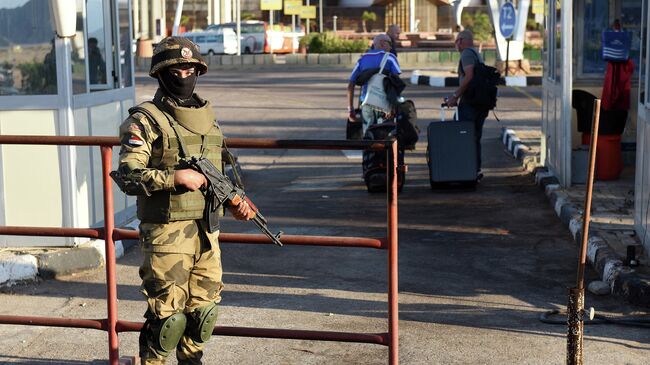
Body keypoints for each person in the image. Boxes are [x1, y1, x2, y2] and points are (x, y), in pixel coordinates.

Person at [113, 36, 252, 365]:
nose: (186, 73)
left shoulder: (208, 118)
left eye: (191, 67)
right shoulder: (145, 120)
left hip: (207, 230)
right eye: (178, 68)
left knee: (203, 315)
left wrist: (235, 199)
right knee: (167, 320)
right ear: (161, 73)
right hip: (166, 233)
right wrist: (173, 178)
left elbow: (218, 169)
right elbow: (128, 175)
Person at [444, 29, 488, 181]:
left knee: (463, 135)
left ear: (461, 41)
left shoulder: (467, 54)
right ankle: (475, 170)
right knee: (474, 137)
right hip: (481, 102)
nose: (456, 45)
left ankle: (465, 170)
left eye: (456, 41)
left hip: (470, 103)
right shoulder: (476, 53)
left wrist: (455, 96)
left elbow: (469, 77)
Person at [347, 34, 402, 134]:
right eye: (390, 44)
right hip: (386, 106)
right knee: (387, 136)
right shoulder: (390, 58)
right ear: (382, 43)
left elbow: (351, 84)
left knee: (368, 137)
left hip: (366, 104)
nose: (391, 47)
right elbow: (396, 83)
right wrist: (394, 107)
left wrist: (351, 109)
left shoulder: (362, 59)